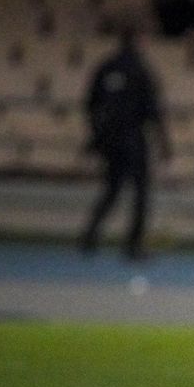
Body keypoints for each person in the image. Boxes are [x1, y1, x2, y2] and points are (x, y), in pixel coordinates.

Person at [79, 26, 170, 261]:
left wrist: (96, 136)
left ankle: (90, 236)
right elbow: (153, 109)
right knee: (140, 192)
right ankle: (133, 244)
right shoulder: (141, 70)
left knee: (112, 189)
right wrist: (164, 142)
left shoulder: (106, 66)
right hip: (133, 138)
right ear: (138, 41)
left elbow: (90, 104)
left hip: (110, 138)